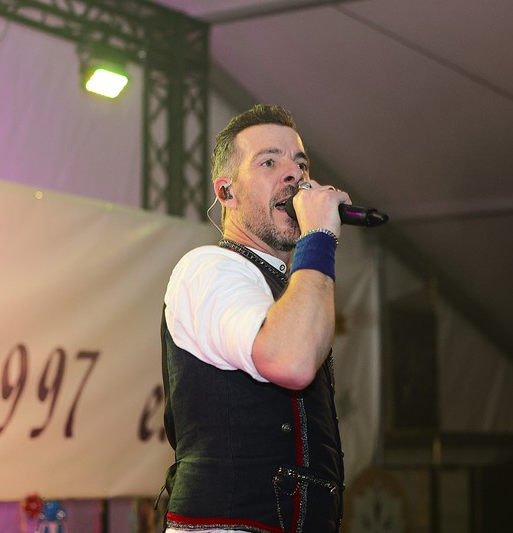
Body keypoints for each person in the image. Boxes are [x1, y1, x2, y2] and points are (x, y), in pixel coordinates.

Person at [160, 104, 349, 532]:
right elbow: (291, 360)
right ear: (226, 193)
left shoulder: (289, 289)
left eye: (300, 163)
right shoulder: (207, 268)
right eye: (269, 162)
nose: (294, 175)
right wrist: (319, 237)